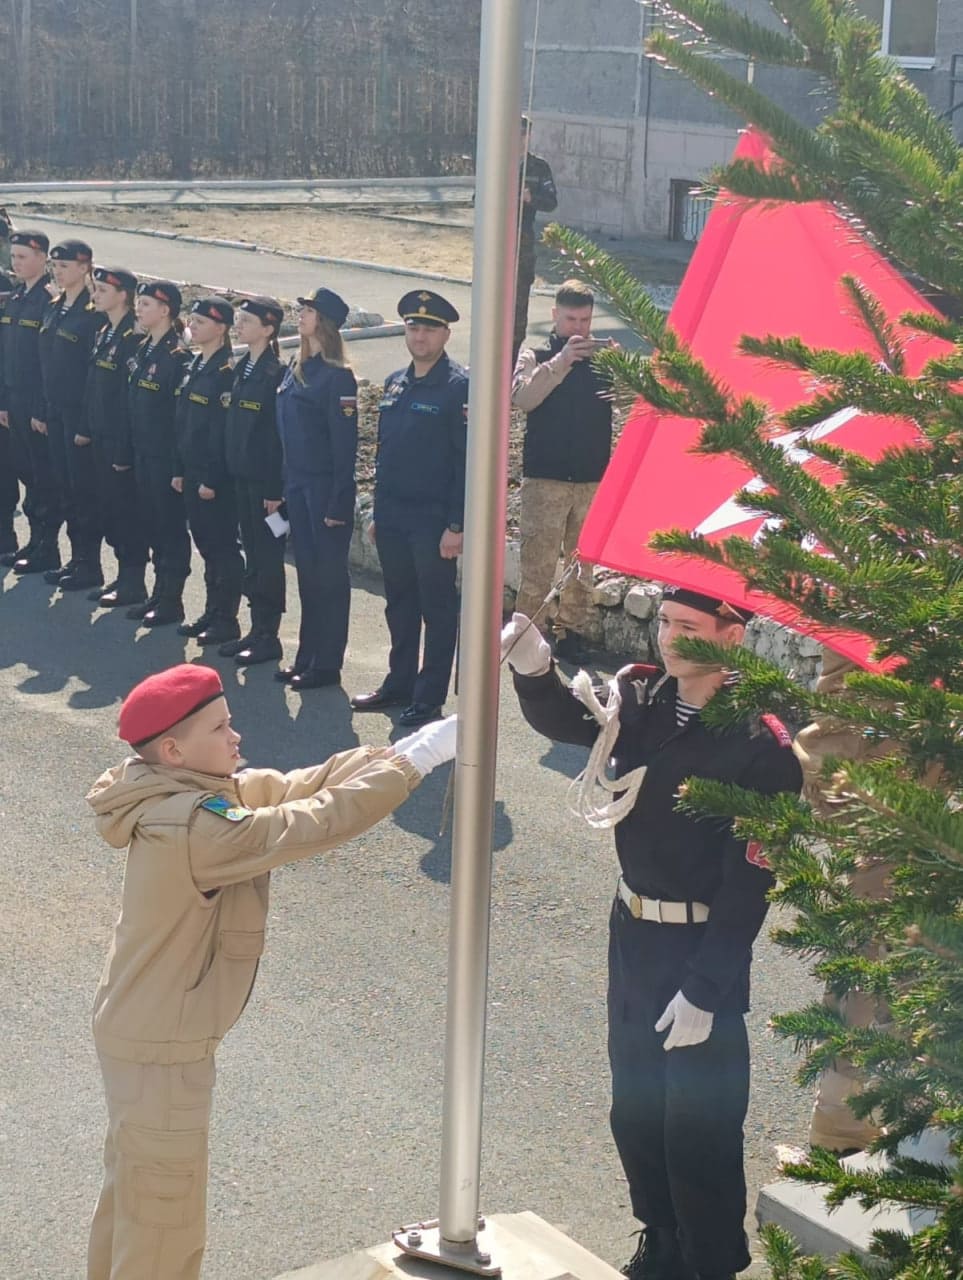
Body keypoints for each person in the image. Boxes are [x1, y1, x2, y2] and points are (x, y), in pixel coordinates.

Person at [85, 662, 458, 1280]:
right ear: (174, 749)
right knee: (163, 1223)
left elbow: (295, 787)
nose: (236, 736)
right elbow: (309, 821)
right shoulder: (194, 825)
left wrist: (402, 751)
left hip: (146, 1033)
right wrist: (417, 763)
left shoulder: (174, 787)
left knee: (136, 1198)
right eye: (219, 728)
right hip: (160, 1050)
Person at [503, 586, 802, 1280]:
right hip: (634, 931)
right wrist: (534, 668)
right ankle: (661, 1242)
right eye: (664, 622)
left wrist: (705, 990)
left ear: (731, 637)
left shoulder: (761, 745)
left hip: (700, 951)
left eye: (687, 626)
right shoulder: (639, 698)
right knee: (634, 1110)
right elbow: (573, 722)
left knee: (699, 1127)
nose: (667, 637)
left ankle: (710, 1263)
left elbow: (748, 885)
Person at [350, 289, 468, 728]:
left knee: (437, 610)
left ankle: (428, 696)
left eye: (430, 329)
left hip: (432, 521)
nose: (420, 336)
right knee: (399, 604)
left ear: (446, 334)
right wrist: (379, 514)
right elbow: (387, 453)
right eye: (414, 327)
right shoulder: (397, 381)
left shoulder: (458, 386)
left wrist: (457, 524)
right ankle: (399, 684)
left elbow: (466, 461)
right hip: (394, 517)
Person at [511, 278, 615, 662]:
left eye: (585, 320)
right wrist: (562, 361)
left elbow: (632, 404)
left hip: (590, 479)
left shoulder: (602, 359)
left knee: (581, 567)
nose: (579, 329)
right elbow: (523, 397)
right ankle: (527, 637)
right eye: (571, 319)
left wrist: (620, 368)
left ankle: (571, 633)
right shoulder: (536, 355)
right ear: (555, 315)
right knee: (537, 567)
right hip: (546, 479)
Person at [275, 286, 358, 690]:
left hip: (324, 489)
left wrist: (339, 502)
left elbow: (344, 447)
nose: (301, 315)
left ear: (323, 321)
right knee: (308, 575)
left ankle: (326, 663)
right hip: (298, 484)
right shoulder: (298, 366)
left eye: (308, 310)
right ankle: (306, 656)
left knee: (328, 579)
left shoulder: (337, 376)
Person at [173, 297, 245, 646]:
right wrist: (179, 468)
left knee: (222, 547)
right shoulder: (196, 364)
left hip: (212, 477)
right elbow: (183, 422)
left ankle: (226, 618)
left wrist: (212, 478)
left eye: (201, 322)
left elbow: (221, 432)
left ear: (221, 328)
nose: (193, 326)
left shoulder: (226, 372)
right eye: (192, 320)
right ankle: (211, 611)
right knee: (206, 545)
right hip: (192, 469)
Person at [221, 295, 286, 667]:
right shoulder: (242, 367)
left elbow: (278, 438)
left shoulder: (276, 373)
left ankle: (268, 635)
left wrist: (276, 489)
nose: (239, 326)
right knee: (253, 556)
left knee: (268, 558)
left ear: (268, 329)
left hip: (266, 488)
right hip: (242, 479)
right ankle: (255, 628)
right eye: (238, 320)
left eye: (246, 321)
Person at [38, 239, 104, 593]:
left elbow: (91, 376)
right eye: (55, 266)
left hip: (78, 414)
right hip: (55, 410)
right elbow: (46, 363)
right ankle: (76, 559)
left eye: (65, 266)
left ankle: (89, 563)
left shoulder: (93, 314)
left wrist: (85, 423)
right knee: (65, 487)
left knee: (83, 492)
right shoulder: (56, 306)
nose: (58, 272)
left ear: (84, 268)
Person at [127, 280, 192, 627]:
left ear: (166, 311)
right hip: (143, 452)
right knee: (151, 523)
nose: (139, 309)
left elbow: (178, 418)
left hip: (164, 457)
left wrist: (178, 465)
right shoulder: (144, 348)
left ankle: (171, 599)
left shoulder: (176, 356)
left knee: (169, 527)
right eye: (139, 303)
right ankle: (158, 592)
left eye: (146, 304)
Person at [87, 266, 151, 609]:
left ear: (123, 295)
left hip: (119, 439)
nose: (95, 295)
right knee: (109, 508)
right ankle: (123, 576)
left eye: (102, 290)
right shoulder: (105, 331)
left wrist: (123, 447)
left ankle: (133, 581)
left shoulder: (133, 338)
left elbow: (129, 401)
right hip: (101, 434)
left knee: (126, 512)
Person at [0, 229, 59, 573]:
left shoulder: (49, 300)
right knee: (20, 469)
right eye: (13, 256)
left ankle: (46, 545)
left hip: (36, 402)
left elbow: (47, 363)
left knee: (40, 477)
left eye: (22, 257)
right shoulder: (18, 296)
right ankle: (33, 543)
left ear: (42, 258)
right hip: (13, 399)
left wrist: (40, 406)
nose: (16, 262)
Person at [513, 114, 558, 363]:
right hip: (497, 240)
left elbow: (551, 201)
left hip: (523, 240)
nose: (518, 138)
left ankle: (511, 360)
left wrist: (531, 199)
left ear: (528, 136)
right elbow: (477, 198)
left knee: (518, 304)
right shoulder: (495, 161)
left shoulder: (538, 167)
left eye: (522, 133)